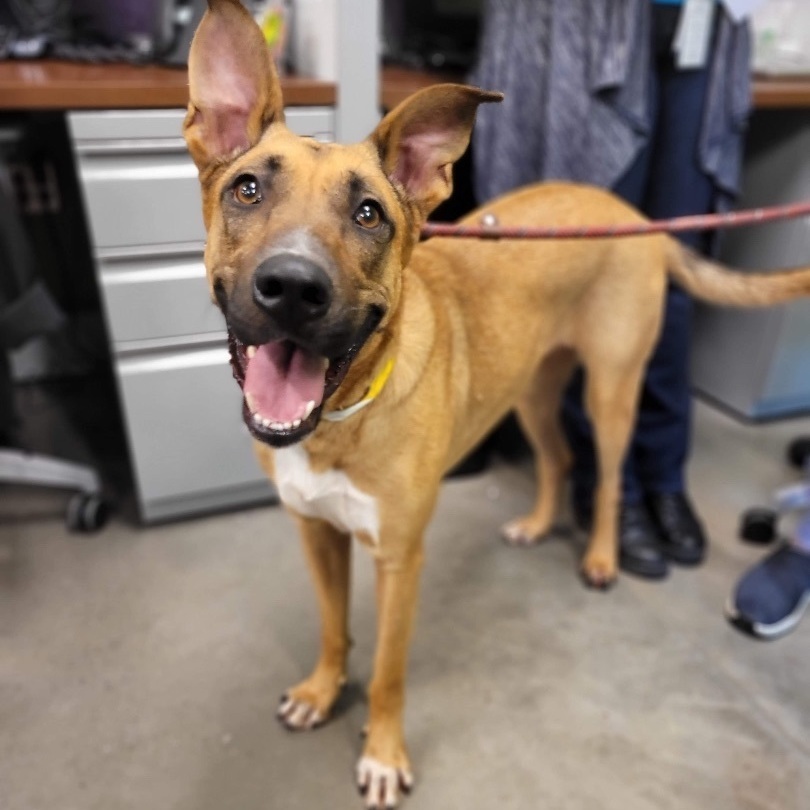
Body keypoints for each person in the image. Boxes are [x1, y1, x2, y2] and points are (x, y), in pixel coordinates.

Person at [471, 0, 753, 579]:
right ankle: (598, 491)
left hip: (700, 24)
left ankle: (660, 480)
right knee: (577, 271)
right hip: (583, 24)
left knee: (669, 281)